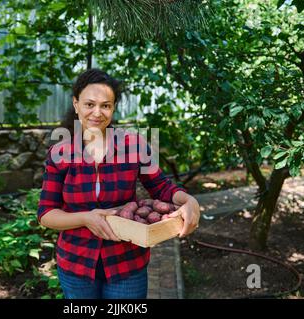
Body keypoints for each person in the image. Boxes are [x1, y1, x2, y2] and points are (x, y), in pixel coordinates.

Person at [37, 68, 200, 299]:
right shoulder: (60, 153)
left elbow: (162, 187)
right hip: (76, 263)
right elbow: (46, 213)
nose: (97, 112)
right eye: (89, 104)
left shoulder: (133, 145)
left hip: (126, 262)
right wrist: (86, 217)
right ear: (76, 105)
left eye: (106, 105)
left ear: (113, 108)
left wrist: (188, 200)